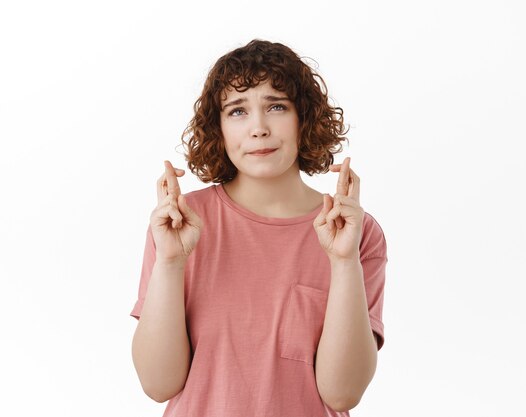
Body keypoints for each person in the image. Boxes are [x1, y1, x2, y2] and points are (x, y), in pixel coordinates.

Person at [130, 39, 388, 417]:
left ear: (305, 117)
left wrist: (343, 261)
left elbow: (343, 393)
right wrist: (170, 263)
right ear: (218, 127)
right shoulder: (181, 224)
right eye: (237, 111)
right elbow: (158, 384)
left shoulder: (353, 231)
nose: (259, 128)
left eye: (277, 106)